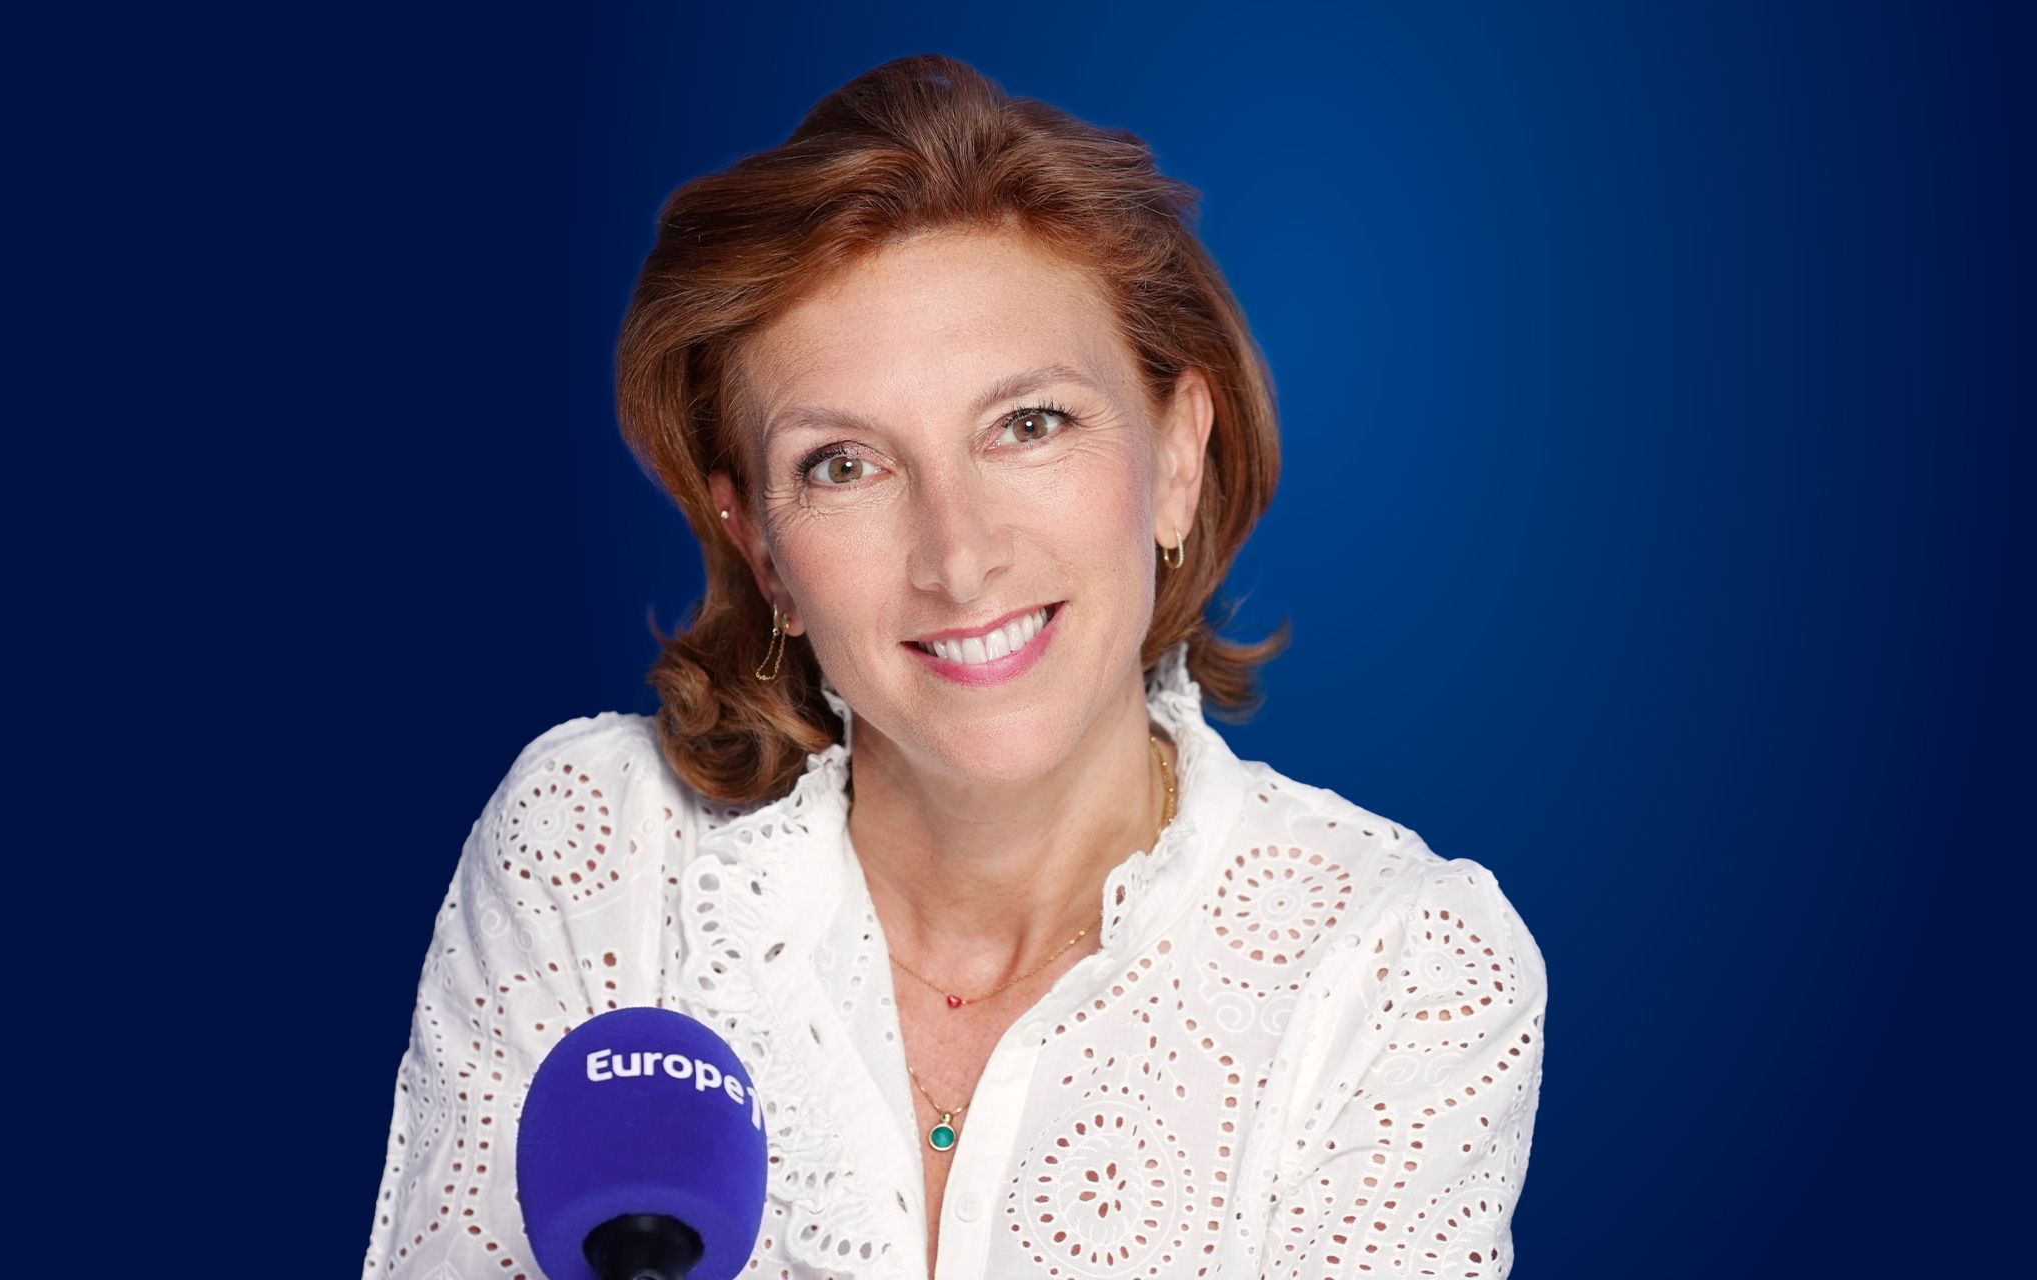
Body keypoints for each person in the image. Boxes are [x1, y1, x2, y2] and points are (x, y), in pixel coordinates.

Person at [364, 54, 1547, 1280]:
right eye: (843, 464)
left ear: (1177, 459)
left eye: (1028, 424)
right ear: (761, 547)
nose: (958, 556)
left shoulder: (1399, 969)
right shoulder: (596, 847)